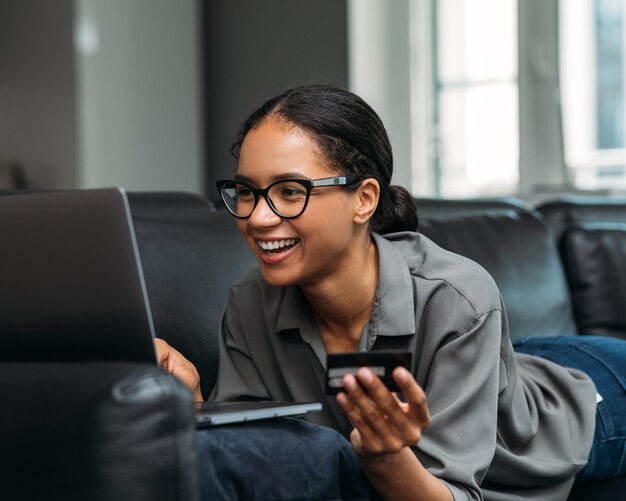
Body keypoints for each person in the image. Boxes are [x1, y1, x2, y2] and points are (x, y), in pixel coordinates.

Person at [155, 84, 626, 500]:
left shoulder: (458, 297)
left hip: (591, 405)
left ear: (364, 199)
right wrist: (195, 401)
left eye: (291, 191)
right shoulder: (251, 299)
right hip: (505, 366)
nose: (257, 217)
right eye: (245, 191)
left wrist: (385, 458)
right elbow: (253, 451)